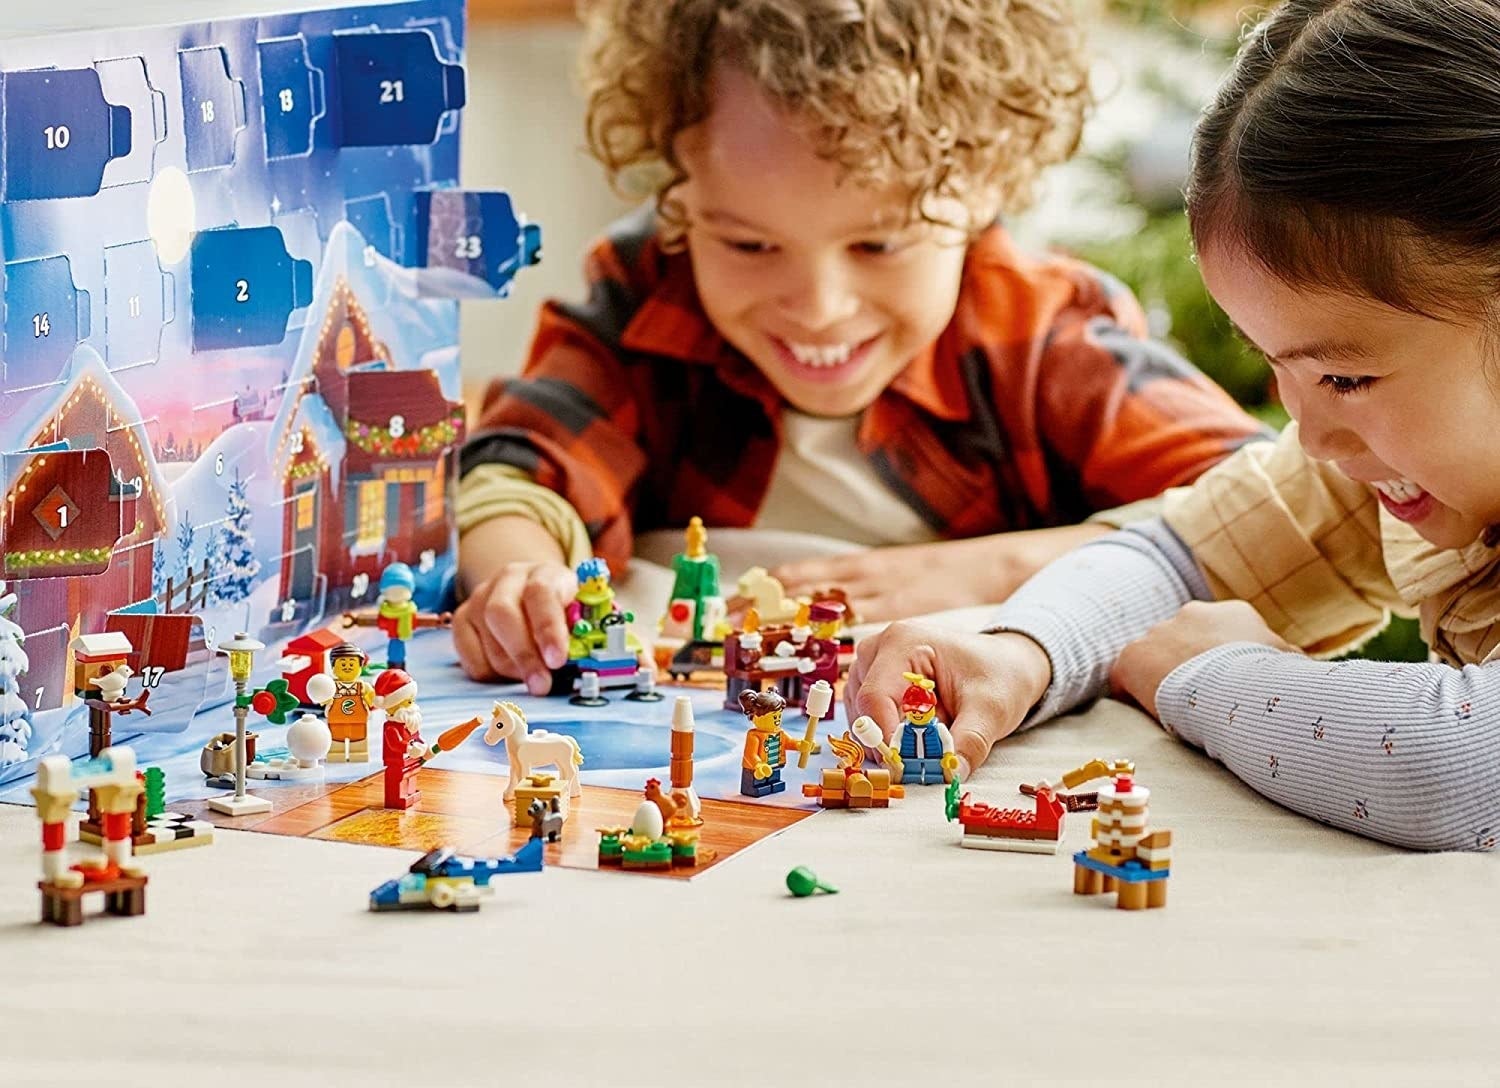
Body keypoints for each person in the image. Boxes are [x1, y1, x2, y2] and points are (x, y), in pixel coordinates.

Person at [454, 0, 1266, 693]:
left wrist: (990, 571)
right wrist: (521, 579)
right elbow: (521, 470)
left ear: (986, 184)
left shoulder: (1040, 331)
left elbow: (1270, 509)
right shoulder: (644, 294)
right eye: (746, 245)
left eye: (879, 246)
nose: (818, 308)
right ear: (678, 186)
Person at [847, 0, 1500, 852]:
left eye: (1345, 376)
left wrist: (1213, 676)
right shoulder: (1380, 462)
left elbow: (1453, 769)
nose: (1311, 435)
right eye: (1281, 368)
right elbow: (1176, 558)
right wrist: (1023, 650)